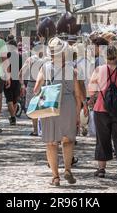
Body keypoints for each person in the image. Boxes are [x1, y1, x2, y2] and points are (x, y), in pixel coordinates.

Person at [33, 37, 87, 186]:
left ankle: (55, 177)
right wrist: (78, 113)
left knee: (51, 143)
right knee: (68, 141)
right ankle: (68, 170)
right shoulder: (72, 69)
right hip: (68, 105)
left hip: (51, 105)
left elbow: (36, 89)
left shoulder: (44, 68)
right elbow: (77, 94)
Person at [88, 43, 117, 180]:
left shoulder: (99, 70)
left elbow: (92, 90)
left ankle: (101, 169)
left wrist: (91, 100)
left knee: (102, 139)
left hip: (101, 109)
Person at [20, 18, 54, 136]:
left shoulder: (31, 59)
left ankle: (35, 130)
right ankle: (44, 130)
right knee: (44, 107)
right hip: (45, 85)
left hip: (31, 84)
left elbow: (21, 72)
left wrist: (21, 84)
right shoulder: (48, 60)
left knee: (33, 108)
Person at [4, 39, 22, 126]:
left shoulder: (7, 55)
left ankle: (13, 116)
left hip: (9, 78)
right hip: (17, 79)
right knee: (15, 100)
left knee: (9, 100)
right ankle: (13, 116)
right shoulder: (19, 56)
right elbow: (21, 70)